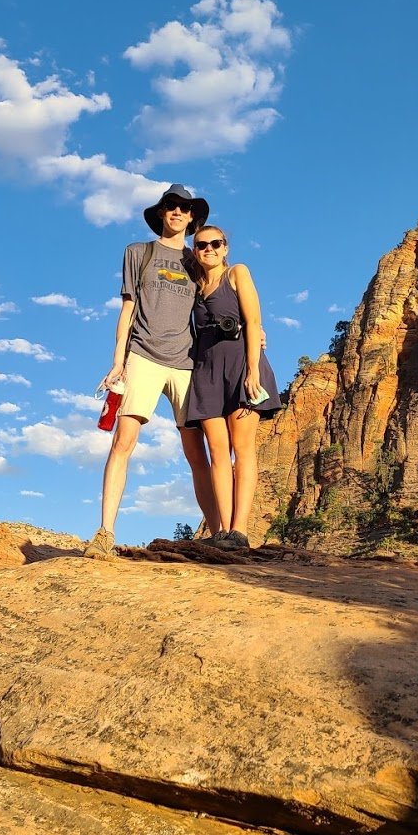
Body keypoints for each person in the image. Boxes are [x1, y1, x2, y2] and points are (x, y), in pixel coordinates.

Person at [83, 184, 221, 559]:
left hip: (186, 363)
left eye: (183, 207)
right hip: (142, 356)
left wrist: (255, 333)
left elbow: (216, 303)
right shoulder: (138, 253)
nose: (176, 211)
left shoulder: (198, 261)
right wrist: (117, 362)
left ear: (192, 217)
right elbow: (127, 310)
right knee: (123, 442)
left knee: (197, 452)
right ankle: (104, 533)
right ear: (161, 213)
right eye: (169, 206)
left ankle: (218, 533)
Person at [185, 225, 282, 549]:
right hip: (206, 372)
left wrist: (253, 370)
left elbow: (254, 321)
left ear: (225, 247)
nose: (208, 249)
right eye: (201, 245)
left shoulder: (237, 273)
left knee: (242, 450)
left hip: (242, 366)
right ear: (195, 250)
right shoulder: (195, 286)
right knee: (217, 453)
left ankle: (239, 530)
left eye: (215, 244)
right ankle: (222, 532)